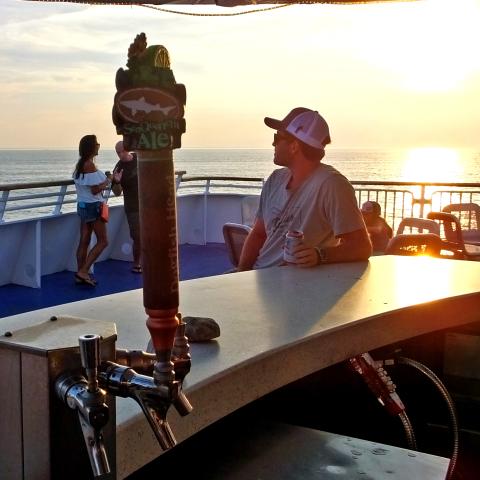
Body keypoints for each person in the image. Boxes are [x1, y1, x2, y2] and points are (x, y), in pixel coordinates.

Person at [237, 107, 372, 271]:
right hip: (260, 276)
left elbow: (362, 246)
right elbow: (258, 234)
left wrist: (320, 255)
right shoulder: (275, 180)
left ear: (294, 146)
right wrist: (241, 273)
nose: (273, 143)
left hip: (293, 286)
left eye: (277, 137)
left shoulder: (333, 185)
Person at [73, 135, 109, 286]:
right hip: (94, 207)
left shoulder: (80, 165)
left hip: (83, 206)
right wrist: (108, 182)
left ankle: (80, 274)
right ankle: (84, 271)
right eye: (97, 144)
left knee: (84, 241)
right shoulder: (90, 165)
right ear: (91, 147)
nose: (99, 145)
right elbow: (95, 190)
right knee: (103, 241)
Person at [111, 141, 141, 273]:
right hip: (132, 206)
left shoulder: (138, 157)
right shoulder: (117, 169)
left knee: (152, 233)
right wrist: (117, 181)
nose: (121, 154)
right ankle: (137, 264)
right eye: (118, 152)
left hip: (148, 204)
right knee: (137, 236)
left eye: (122, 151)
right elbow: (117, 192)